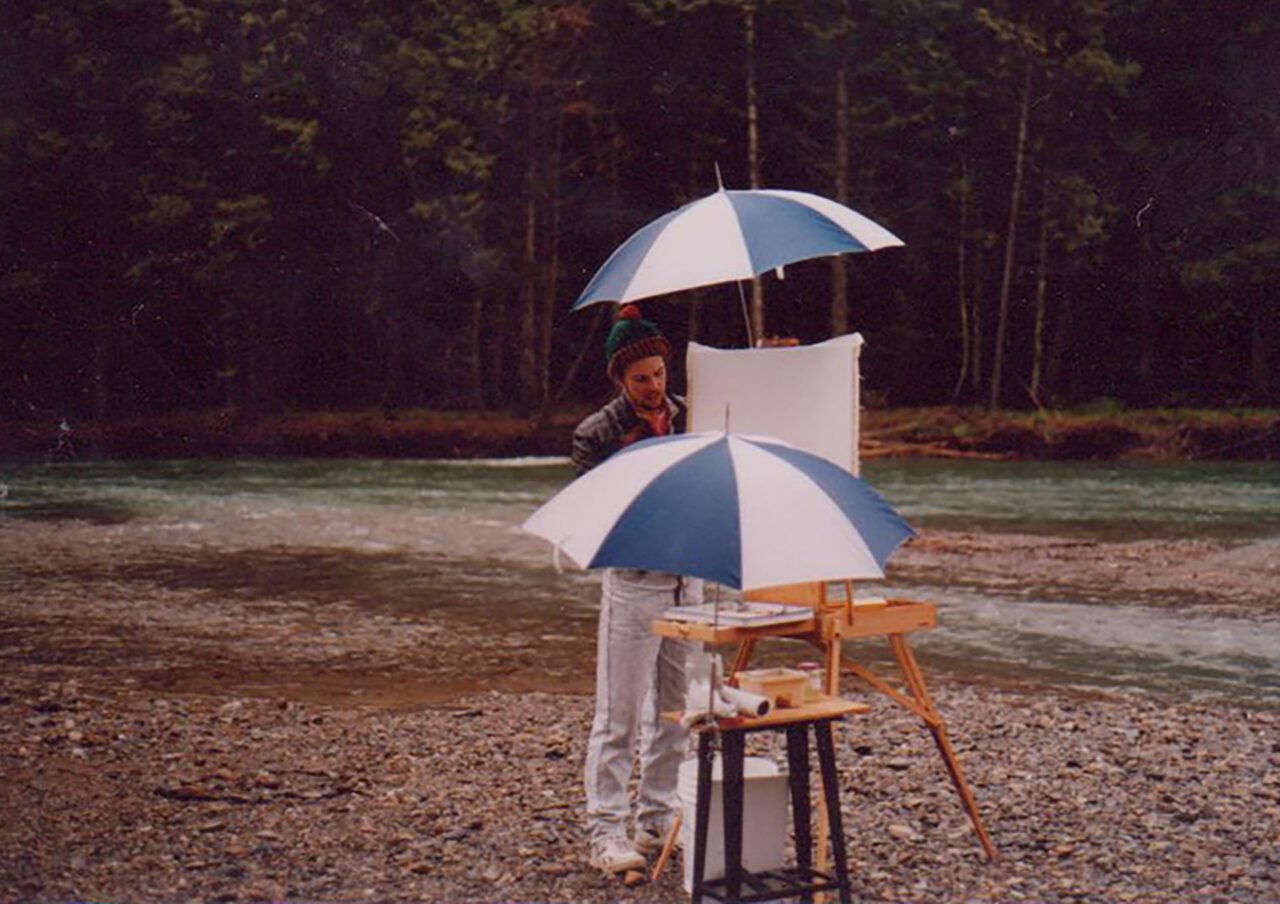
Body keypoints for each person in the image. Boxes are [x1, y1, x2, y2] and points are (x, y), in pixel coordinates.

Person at [572, 304, 702, 875]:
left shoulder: (692, 418)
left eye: (659, 374)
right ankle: (605, 830)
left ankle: (655, 816)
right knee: (618, 716)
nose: (654, 387)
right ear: (621, 380)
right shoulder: (595, 433)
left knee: (677, 711)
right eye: (641, 378)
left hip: (687, 578)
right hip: (632, 582)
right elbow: (593, 517)